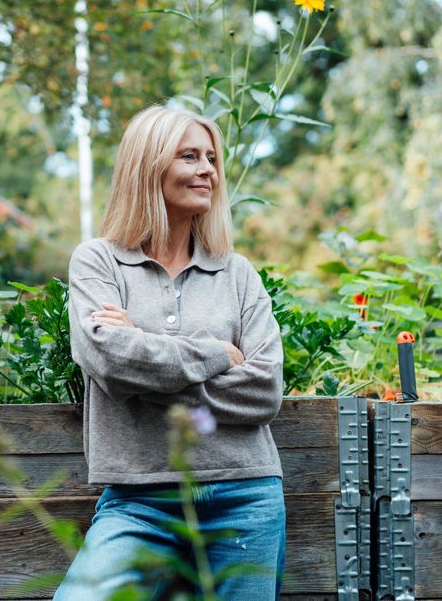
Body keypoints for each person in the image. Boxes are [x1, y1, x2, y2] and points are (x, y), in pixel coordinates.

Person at [54, 105, 286, 601]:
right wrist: (219, 353)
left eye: (211, 158)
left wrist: (144, 355)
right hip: (140, 500)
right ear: (149, 166)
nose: (208, 170)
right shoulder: (99, 262)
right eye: (189, 156)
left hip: (245, 495)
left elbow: (265, 390)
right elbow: (111, 360)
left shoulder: (237, 273)